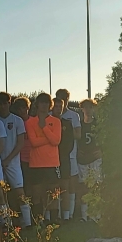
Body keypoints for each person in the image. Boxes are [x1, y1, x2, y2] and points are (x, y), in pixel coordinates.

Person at [0, 92, 31, 228]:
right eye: (0, 104)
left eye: (5, 103)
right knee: (0, 193)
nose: (3, 106)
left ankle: (28, 223)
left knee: (19, 192)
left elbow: (20, 143)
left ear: (9, 103)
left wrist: (8, 159)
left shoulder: (17, 120)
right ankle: (6, 223)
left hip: (13, 163)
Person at [25, 93, 61, 224]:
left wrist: (44, 127)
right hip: (36, 164)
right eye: (42, 102)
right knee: (37, 194)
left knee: (53, 194)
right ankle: (38, 221)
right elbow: (33, 142)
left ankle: (54, 221)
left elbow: (56, 141)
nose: (44, 105)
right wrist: (48, 138)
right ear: (37, 104)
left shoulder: (56, 121)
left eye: (47, 103)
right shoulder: (30, 122)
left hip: (52, 163)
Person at [56, 89, 81, 220]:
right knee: (57, 184)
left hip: (70, 154)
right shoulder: (51, 114)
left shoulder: (74, 115)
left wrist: (66, 132)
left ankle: (69, 215)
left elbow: (78, 134)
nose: (63, 100)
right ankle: (58, 215)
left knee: (70, 185)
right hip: (54, 155)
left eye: (65, 98)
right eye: (60, 98)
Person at [77, 98, 102, 222]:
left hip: (95, 158)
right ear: (82, 109)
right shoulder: (79, 125)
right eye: (85, 107)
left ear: (93, 109)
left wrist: (102, 150)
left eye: (90, 107)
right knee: (84, 187)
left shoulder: (98, 124)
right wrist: (77, 151)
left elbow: (104, 139)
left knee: (96, 185)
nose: (88, 110)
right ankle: (84, 215)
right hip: (83, 159)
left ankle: (95, 214)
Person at [51, 97, 75, 223]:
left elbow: (70, 143)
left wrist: (62, 154)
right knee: (52, 188)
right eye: (56, 106)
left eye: (60, 106)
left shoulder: (67, 123)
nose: (58, 109)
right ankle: (52, 217)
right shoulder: (47, 122)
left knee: (65, 186)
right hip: (50, 159)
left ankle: (66, 217)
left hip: (64, 159)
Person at [13, 96, 33, 198]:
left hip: (34, 159)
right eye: (19, 108)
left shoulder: (35, 121)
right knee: (22, 186)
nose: (22, 110)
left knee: (33, 187)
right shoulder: (15, 122)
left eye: (24, 107)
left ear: (28, 108)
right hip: (21, 159)